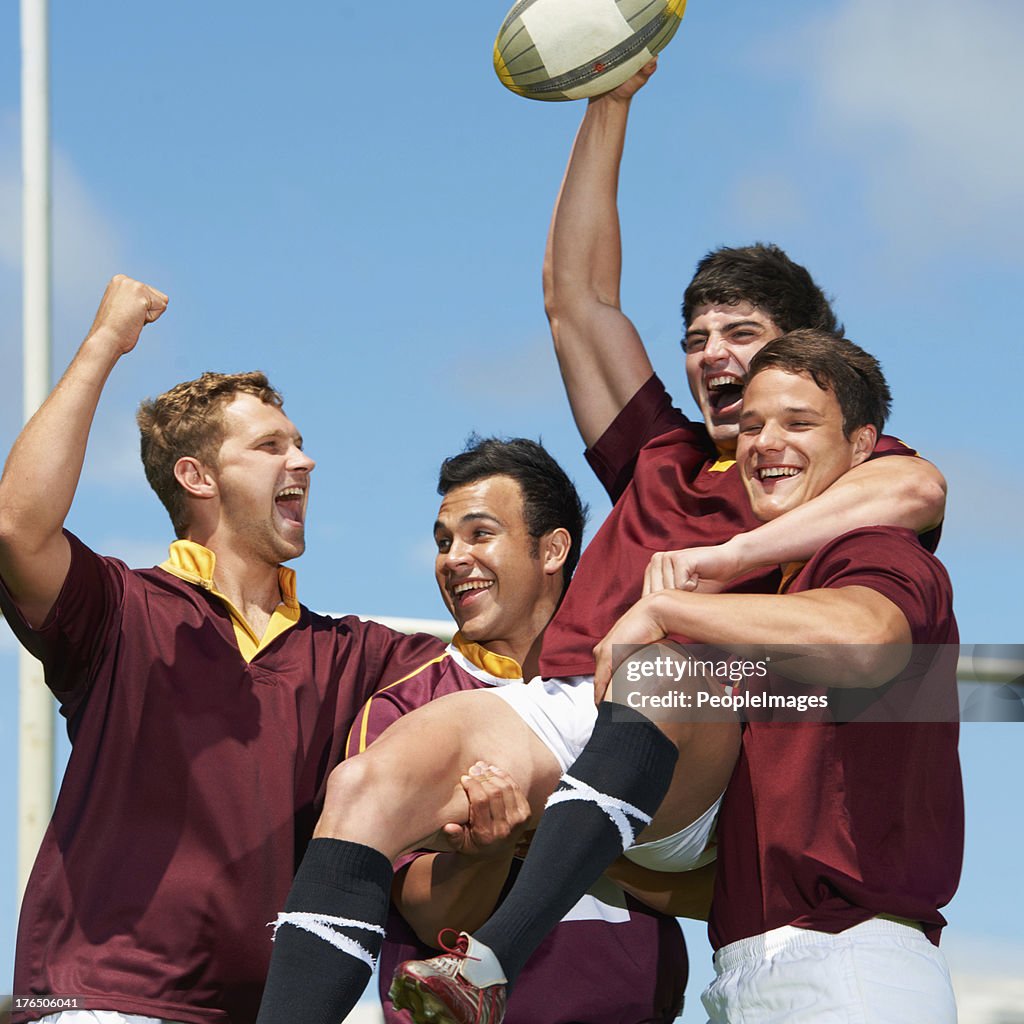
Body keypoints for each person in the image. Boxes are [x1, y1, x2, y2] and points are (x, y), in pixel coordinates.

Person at [388, 63, 948, 1023]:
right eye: (698, 336)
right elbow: (578, 299)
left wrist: (694, 587)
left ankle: (490, 957)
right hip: (737, 947)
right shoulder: (664, 456)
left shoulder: (854, 494)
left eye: (745, 334)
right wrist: (610, 101)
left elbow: (916, 488)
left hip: (848, 949)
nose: (714, 355)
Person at [0, 276, 439, 1024]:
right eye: (271, 445)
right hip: (96, 1001)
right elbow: (16, 528)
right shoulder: (119, 609)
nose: (302, 460)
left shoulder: (356, 654)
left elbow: (517, 667)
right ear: (196, 477)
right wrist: (106, 342)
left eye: (299, 442)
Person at [590, 333, 962, 1022]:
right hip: (752, 972)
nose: (764, 442)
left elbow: (864, 642)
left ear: (862, 448)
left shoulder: (875, 550)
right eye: (752, 425)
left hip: (851, 969)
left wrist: (672, 607)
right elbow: (740, 865)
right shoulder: (775, 609)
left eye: (798, 423)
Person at [255, 439, 687, 1024]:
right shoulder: (402, 711)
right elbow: (427, 916)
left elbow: (717, 883)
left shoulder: (634, 681)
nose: (452, 558)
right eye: (442, 542)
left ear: (553, 549)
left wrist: (570, 834)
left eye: (479, 534)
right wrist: (486, 853)